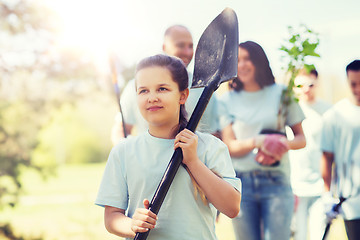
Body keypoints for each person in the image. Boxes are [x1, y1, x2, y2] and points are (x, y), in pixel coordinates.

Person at [96, 54, 241, 240]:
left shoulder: (210, 147)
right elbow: (111, 218)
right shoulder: (123, 151)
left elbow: (232, 207)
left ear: (183, 95)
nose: (152, 97)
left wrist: (193, 162)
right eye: (143, 91)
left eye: (162, 89)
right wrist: (132, 224)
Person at [218, 41, 306, 240]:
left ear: (259, 61)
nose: (242, 65)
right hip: (240, 185)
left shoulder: (282, 94)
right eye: (238, 60)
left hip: (276, 181)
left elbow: (301, 139)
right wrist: (259, 141)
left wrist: (281, 144)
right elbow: (229, 146)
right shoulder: (225, 101)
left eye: (247, 59)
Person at [111, 25, 220, 144]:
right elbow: (121, 130)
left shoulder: (205, 88)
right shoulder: (135, 87)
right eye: (180, 45)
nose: (187, 52)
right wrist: (127, 152)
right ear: (164, 47)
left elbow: (213, 135)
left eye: (190, 46)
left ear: (183, 95)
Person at [289, 69, 332, 240]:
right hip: (295, 188)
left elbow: (332, 153)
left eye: (310, 84)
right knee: (298, 236)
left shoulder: (328, 111)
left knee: (319, 235)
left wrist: (330, 191)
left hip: (320, 188)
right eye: (300, 85)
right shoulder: (287, 111)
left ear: (317, 83)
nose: (306, 89)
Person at [320, 59, 360, 240]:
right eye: (353, 84)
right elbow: (327, 157)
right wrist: (327, 194)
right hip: (352, 203)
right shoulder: (334, 116)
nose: (358, 89)